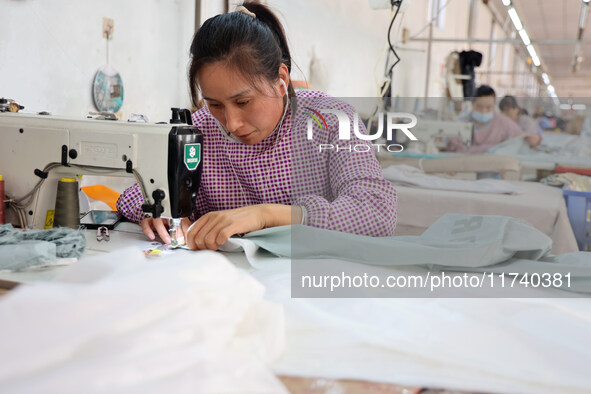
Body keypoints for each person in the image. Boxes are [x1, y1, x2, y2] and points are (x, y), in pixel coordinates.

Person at [116, 1, 397, 251]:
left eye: (243, 101)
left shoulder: (331, 121)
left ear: (281, 81)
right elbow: (133, 196)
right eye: (214, 104)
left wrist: (265, 215)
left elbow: (376, 213)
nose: (231, 124)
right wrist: (160, 209)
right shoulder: (199, 130)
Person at [447, 85, 542, 153]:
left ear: (494, 106)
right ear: (472, 104)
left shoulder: (504, 122)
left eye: (488, 107)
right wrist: (488, 149)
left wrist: (536, 139)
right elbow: (453, 146)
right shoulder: (462, 122)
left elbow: (521, 137)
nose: (484, 111)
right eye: (479, 107)